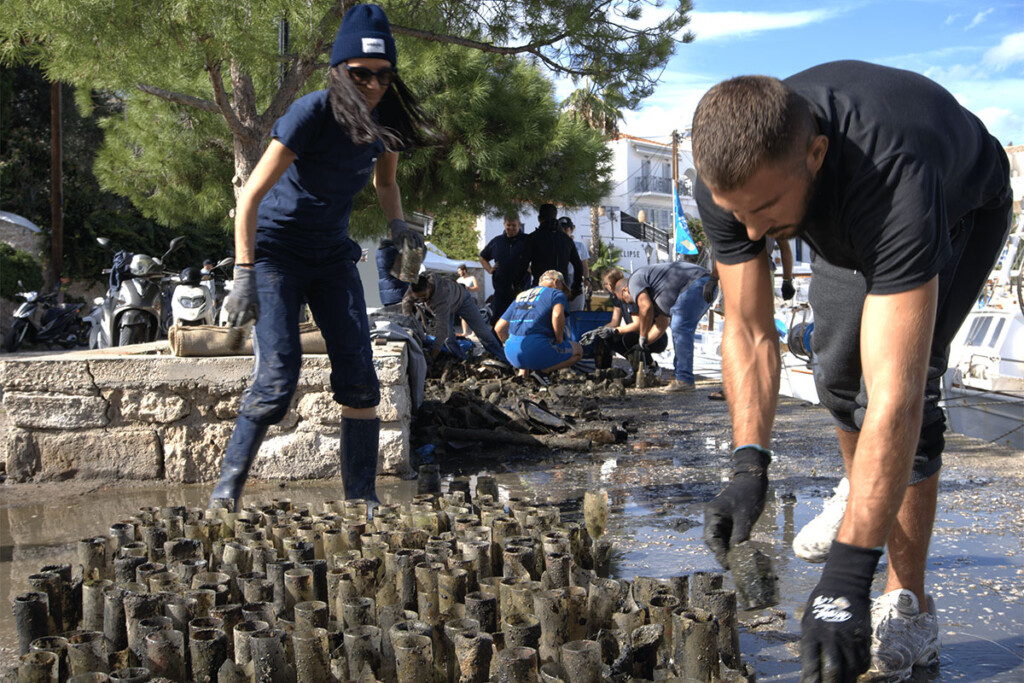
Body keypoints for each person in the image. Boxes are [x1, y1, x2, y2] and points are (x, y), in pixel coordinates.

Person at [692, 61, 1011, 682]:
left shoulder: (895, 177)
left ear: (815, 153)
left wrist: (847, 572)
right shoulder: (735, 184)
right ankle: (867, 484)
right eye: (739, 216)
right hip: (836, 204)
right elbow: (751, 330)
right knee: (835, 376)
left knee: (891, 396)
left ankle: (908, 607)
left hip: (962, 205)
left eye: (762, 210)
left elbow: (896, 396)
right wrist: (748, 463)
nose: (752, 232)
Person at [211, 4, 432, 510]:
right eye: (361, 75)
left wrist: (399, 227)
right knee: (275, 382)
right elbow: (249, 196)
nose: (374, 85)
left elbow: (387, 181)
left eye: (382, 74)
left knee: (360, 380)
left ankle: (361, 497)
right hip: (276, 256)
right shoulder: (310, 112)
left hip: (333, 256)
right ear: (339, 73)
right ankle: (226, 493)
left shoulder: (387, 121)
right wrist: (244, 272)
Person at [614, 261, 713, 392]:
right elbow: (662, 323)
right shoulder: (656, 291)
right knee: (680, 327)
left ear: (625, 290)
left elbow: (646, 307)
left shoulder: (634, 280)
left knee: (680, 327)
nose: (627, 303)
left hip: (698, 283)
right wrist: (644, 343)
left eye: (623, 300)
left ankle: (684, 379)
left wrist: (642, 336)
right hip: (704, 283)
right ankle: (681, 375)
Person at [402, 272, 507, 362]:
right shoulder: (415, 287)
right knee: (449, 339)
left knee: (483, 332)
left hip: (462, 300)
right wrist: (408, 320)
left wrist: (433, 355)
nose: (421, 300)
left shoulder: (440, 298)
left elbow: (441, 330)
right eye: (418, 298)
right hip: (449, 303)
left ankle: (503, 359)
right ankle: (463, 361)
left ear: (429, 287)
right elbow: (406, 302)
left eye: (424, 296)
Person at [495, 269, 582, 374]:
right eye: (562, 288)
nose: (562, 291)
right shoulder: (556, 294)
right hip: (537, 350)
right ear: (556, 282)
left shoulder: (521, 295)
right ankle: (544, 371)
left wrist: (509, 344)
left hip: (512, 355)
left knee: (525, 341)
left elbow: (499, 328)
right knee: (578, 351)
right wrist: (559, 340)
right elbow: (557, 315)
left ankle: (523, 374)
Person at [599, 267, 669, 362]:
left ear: (609, 286)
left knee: (629, 338)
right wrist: (599, 332)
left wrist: (614, 330)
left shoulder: (629, 295)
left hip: (654, 336)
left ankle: (650, 366)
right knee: (607, 338)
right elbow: (614, 322)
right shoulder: (618, 298)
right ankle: (634, 361)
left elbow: (637, 325)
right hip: (639, 335)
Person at [479, 213, 531, 324]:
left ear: (519, 225)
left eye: (514, 225)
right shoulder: (497, 242)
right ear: (504, 224)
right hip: (501, 292)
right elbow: (483, 257)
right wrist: (489, 269)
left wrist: (532, 268)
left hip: (522, 292)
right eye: (508, 225)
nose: (511, 228)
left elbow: (539, 257)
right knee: (497, 323)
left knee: (520, 323)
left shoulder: (527, 240)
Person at [525, 204, 583, 302]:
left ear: (539, 219)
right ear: (556, 217)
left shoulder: (533, 238)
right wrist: (576, 288)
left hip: (540, 287)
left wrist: (518, 286)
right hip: (560, 287)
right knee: (560, 314)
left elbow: (523, 264)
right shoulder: (566, 240)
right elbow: (578, 266)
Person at [559, 217, 590, 312]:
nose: (564, 231)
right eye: (561, 229)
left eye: (566, 229)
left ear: (572, 229)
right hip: (559, 283)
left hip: (575, 282)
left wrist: (587, 279)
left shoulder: (580, 246)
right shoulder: (554, 244)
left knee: (576, 312)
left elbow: (584, 266)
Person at [455, 264, 479, 336]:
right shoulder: (458, 280)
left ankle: (474, 332)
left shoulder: (472, 278)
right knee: (463, 316)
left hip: (472, 299)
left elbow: (477, 288)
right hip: (462, 299)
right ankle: (465, 332)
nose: (459, 273)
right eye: (458, 272)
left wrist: (468, 288)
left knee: (473, 316)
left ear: (464, 270)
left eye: (459, 271)